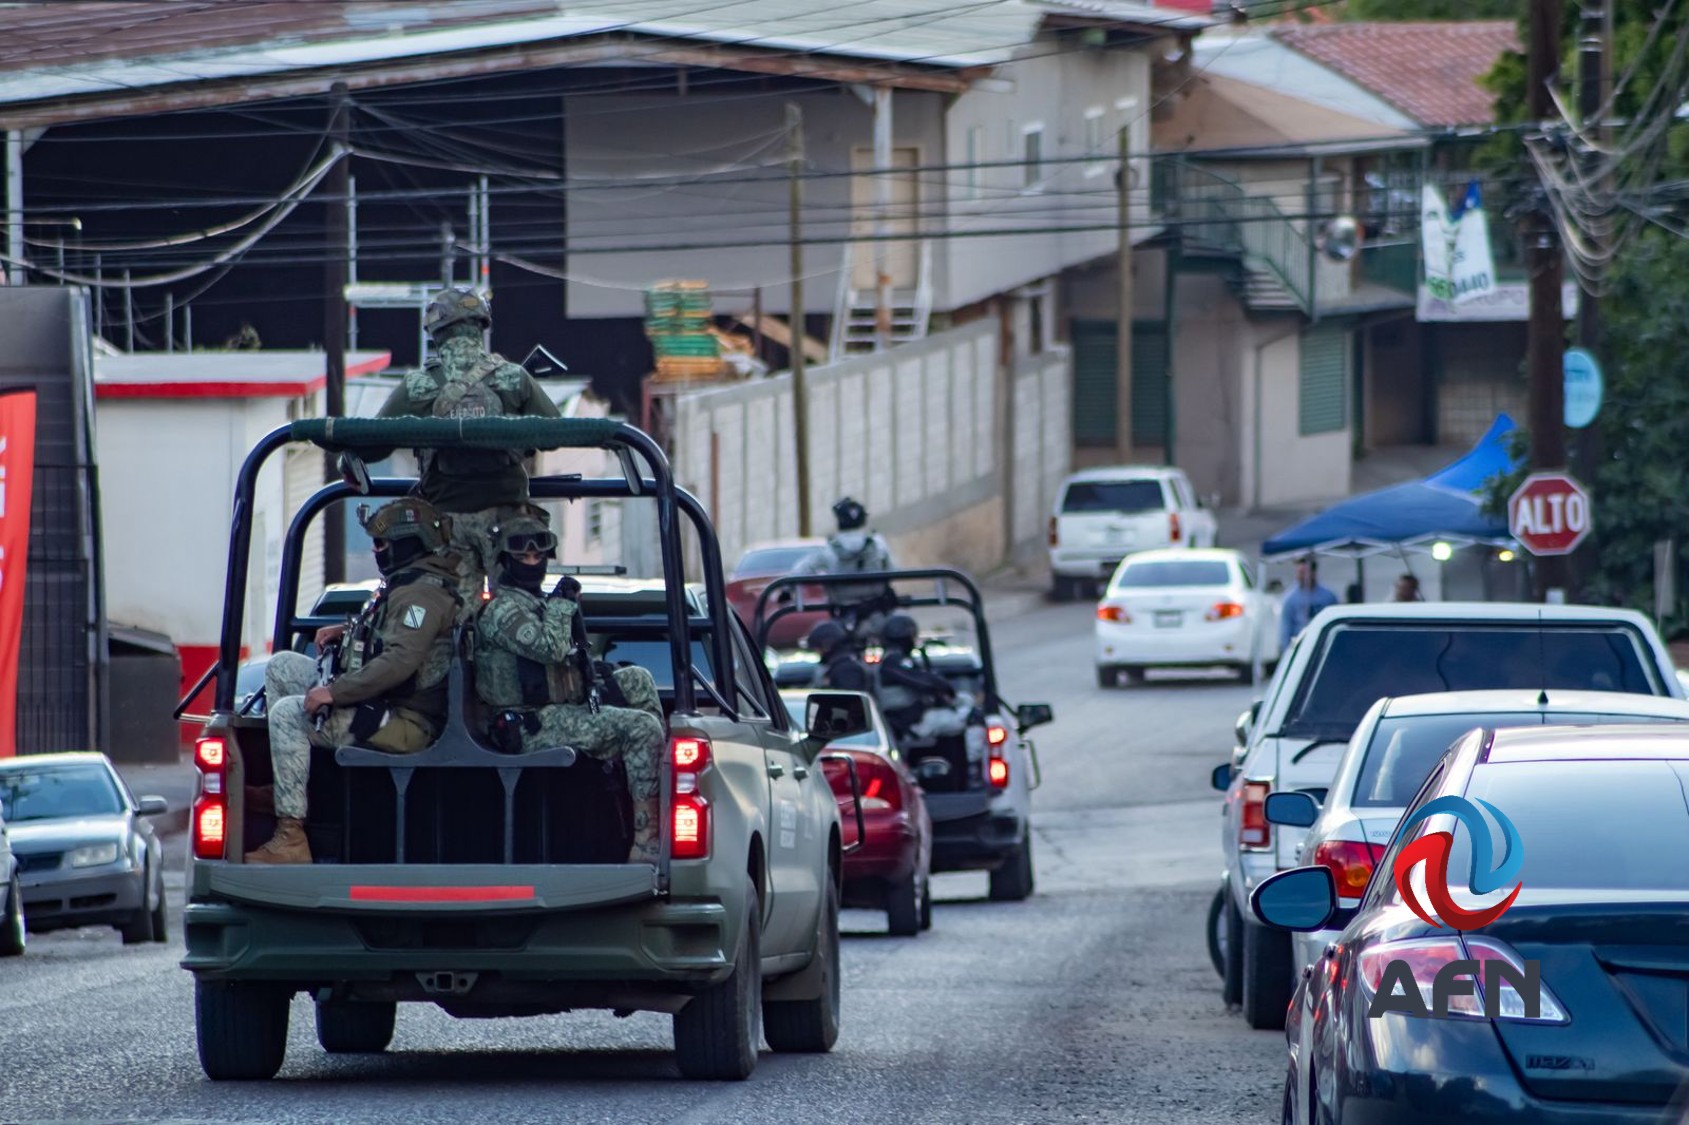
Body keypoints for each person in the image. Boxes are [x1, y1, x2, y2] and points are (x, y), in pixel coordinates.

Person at [247, 499, 462, 864]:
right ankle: (290, 790)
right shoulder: (404, 585)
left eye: (382, 544)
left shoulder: (421, 596)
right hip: (386, 705)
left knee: (287, 715)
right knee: (282, 667)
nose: (376, 550)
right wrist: (346, 633)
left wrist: (333, 692)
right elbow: (385, 639)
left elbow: (399, 661)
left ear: (408, 543)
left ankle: (292, 838)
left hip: (408, 722)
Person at [471, 514, 666, 863]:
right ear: (505, 561)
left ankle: (640, 793)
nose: (533, 563)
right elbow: (550, 648)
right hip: (528, 723)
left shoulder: (537, 603)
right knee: (642, 728)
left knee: (638, 679)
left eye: (538, 556)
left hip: (559, 708)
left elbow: (567, 657)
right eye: (523, 558)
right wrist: (562, 606)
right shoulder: (502, 610)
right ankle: (646, 841)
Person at [374, 287, 563, 598]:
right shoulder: (513, 378)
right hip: (510, 522)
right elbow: (556, 433)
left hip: (445, 526)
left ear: (435, 332)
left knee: (452, 622)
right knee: (517, 612)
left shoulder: (418, 386)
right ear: (481, 326)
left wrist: (347, 465)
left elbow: (372, 444)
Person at [798, 497, 897, 632]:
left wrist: (788, 592)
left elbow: (801, 571)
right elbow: (893, 570)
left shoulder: (829, 549)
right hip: (878, 616)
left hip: (844, 618)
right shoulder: (878, 543)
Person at [875, 613, 958, 745]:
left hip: (913, 719)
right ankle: (973, 762)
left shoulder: (898, 660)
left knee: (965, 701)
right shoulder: (893, 662)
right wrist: (941, 684)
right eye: (912, 636)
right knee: (971, 716)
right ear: (906, 637)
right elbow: (923, 682)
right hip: (905, 723)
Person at [1277, 554, 1339, 653]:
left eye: (1304, 573)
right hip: (1301, 647)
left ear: (1313, 573)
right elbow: (1285, 631)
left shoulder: (1328, 596)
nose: (1300, 576)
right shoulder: (1290, 599)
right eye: (1299, 572)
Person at [807, 620, 874, 695]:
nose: (817, 652)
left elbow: (849, 700)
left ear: (826, 645)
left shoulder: (847, 669)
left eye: (817, 648)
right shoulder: (839, 666)